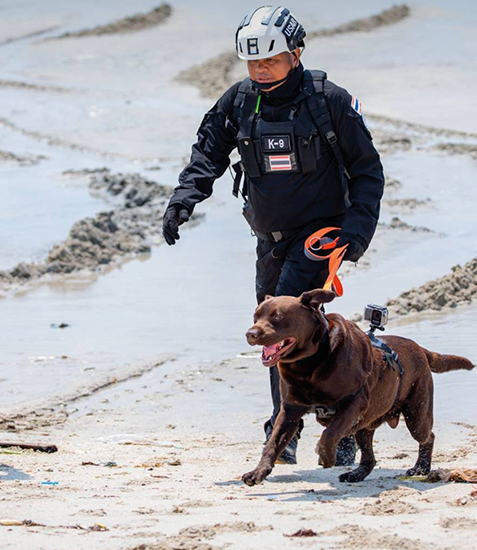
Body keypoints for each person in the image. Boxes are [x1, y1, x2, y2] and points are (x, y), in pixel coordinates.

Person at [162, 5, 385, 466]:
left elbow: (367, 170)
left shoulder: (330, 101)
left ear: (296, 54)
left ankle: (284, 430)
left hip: (321, 235)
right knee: (299, 330)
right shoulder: (240, 100)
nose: (260, 70)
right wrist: (183, 200)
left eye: (270, 60)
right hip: (269, 236)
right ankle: (340, 424)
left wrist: (357, 233)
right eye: (253, 62)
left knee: (277, 329)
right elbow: (207, 153)